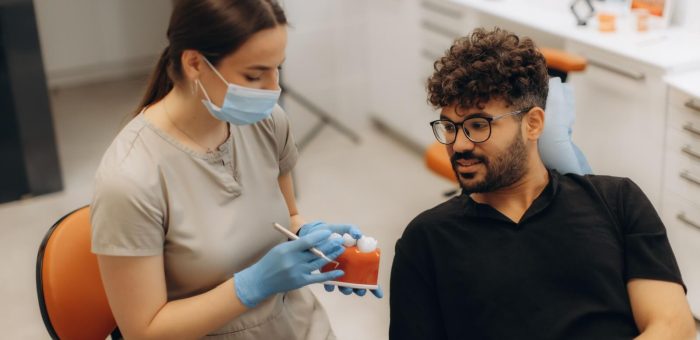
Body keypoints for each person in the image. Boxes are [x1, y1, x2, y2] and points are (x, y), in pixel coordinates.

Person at [90, 1, 380, 339]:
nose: (274, 89)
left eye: (278, 69)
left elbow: (288, 217)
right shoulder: (130, 180)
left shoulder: (268, 122)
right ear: (195, 63)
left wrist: (321, 248)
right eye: (255, 75)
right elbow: (144, 331)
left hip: (299, 327)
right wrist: (249, 286)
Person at [389, 27, 696, 339]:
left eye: (478, 125)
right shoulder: (425, 242)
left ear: (533, 124)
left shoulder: (617, 201)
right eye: (449, 127)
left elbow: (675, 328)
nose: (459, 144)